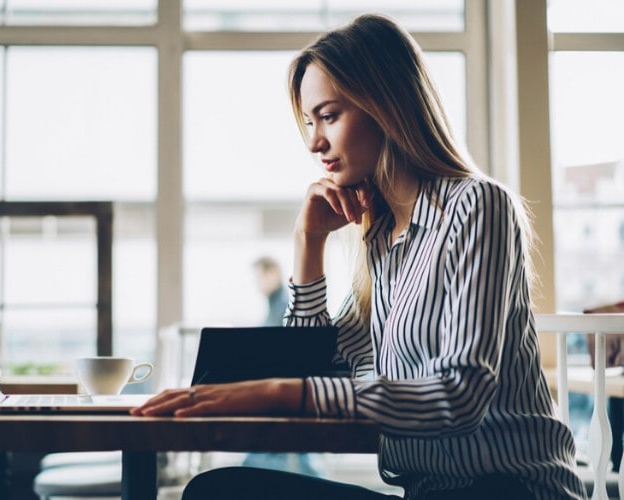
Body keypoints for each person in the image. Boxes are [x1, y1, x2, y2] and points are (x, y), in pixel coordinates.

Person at [132, 13, 587, 500]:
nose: (314, 142)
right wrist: (309, 242)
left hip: (510, 491)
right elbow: (310, 368)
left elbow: (460, 395)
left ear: (386, 107)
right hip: (427, 493)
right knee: (218, 489)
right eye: (310, 121)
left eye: (328, 115)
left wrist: (274, 392)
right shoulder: (383, 240)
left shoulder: (478, 205)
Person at [241, 256, 324, 478]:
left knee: (262, 455)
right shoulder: (275, 306)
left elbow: (279, 352)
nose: (257, 285)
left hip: (286, 390)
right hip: (286, 389)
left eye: (260, 277)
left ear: (273, 274)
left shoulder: (282, 307)